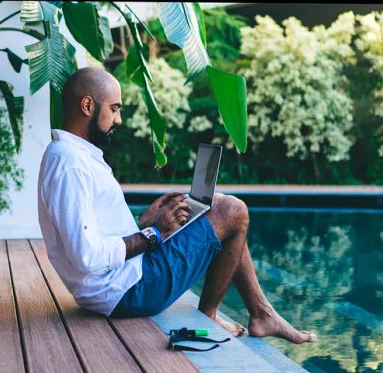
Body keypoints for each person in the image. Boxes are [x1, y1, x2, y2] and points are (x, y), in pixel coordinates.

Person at [36, 67, 316, 343]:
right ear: (87, 105)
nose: (118, 119)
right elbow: (86, 256)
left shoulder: (74, 155)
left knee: (215, 204)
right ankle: (216, 315)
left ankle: (261, 314)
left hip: (123, 279)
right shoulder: (70, 165)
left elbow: (94, 235)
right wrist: (154, 234)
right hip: (126, 292)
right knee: (234, 212)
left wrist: (144, 221)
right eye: (115, 108)